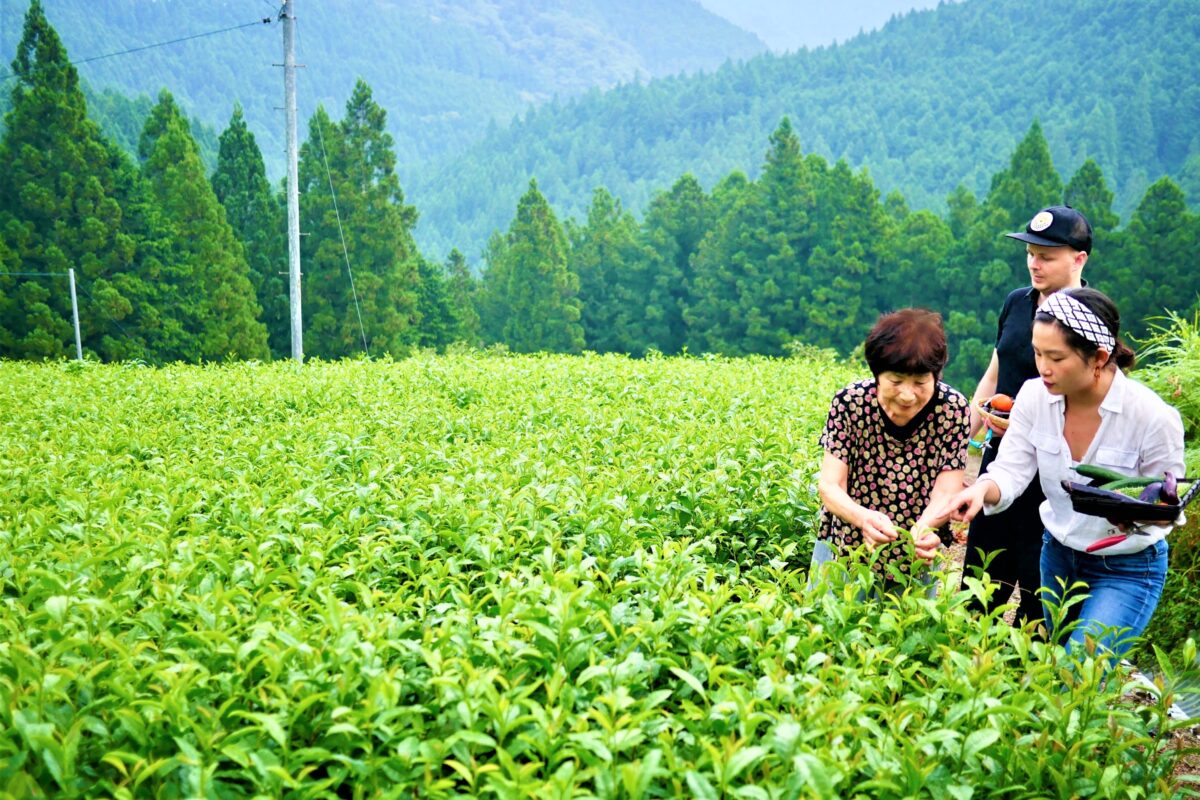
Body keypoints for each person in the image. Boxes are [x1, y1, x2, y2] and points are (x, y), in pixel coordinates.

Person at [935, 288, 1184, 656]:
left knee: (1079, 666)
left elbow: (1167, 504)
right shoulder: (1035, 398)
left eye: (1056, 357)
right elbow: (1011, 470)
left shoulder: (1151, 417)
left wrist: (1136, 514)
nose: (1043, 367)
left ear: (1098, 357)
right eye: (1037, 353)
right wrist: (979, 490)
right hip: (1058, 557)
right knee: (1063, 668)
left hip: (1126, 566)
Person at [963, 205, 1092, 625]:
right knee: (981, 583)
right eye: (1031, 253)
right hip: (1001, 459)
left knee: (1039, 593)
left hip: (1054, 469)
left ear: (1078, 259)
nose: (1035, 264)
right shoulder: (1017, 303)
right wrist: (966, 430)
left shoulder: (1091, 317)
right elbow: (996, 370)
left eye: (1047, 256)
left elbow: (1093, 399)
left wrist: (1028, 419)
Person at [811, 308, 970, 590]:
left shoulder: (952, 409)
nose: (908, 395)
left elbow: (947, 490)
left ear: (936, 375)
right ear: (877, 375)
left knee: (908, 631)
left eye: (921, 383)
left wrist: (928, 526)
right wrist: (862, 518)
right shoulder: (851, 403)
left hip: (914, 554)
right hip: (847, 546)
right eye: (896, 381)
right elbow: (830, 485)